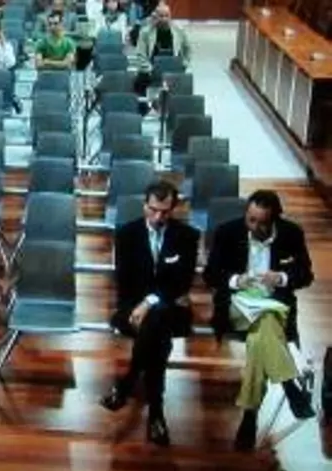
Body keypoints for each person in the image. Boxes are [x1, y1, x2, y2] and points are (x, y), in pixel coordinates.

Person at [204, 190, 315, 452]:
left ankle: (250, 415)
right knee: (266, 325)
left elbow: (305, 274)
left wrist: (282, 278)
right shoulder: (227, 232)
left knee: (260, 335)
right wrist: (235, 280)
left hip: (274, 307)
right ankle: (289, 384)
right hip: (237, 305)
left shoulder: (291, 233)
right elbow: (211, 274)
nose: (254, 227)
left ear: (274, 219)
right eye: (250, 220)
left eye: (261, 222)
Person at [99, 181, 199, 447]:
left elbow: (182, 283)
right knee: (158, 334)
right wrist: (148, 302)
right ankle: (156, 411)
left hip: (171, 311)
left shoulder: (187, 236)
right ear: (144, 205)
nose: (158, 217)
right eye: (153, 210)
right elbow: (125, 282)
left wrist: (150, 301)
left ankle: (129, 381)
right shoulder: (126, 234)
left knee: (157, 321)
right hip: (132, 309)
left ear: (173, 209)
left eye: (164, 212)